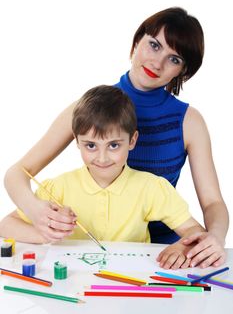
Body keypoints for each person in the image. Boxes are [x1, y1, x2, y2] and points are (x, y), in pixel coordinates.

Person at [4, 7, 228, 268]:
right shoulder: (90, 108)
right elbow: (17, 173)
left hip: (167, 253)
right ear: (136, 43)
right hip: (97, 247)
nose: (158, 63)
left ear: (183, 71)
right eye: (154, 46)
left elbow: (213, 202)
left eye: (174, 59)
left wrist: (212, 238)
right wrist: (36, 212)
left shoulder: (190, 121)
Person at [0, 85, 208, 270]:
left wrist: (182, 246)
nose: (102, 158)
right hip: (72, 286)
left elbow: (194, 229)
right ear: (77, 141)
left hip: (129, 286)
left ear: (132, 140)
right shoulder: (58, 188)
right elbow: (5, 225)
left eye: (114, 145)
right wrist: (45, 233)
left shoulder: (152, 188)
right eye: (91, 145)